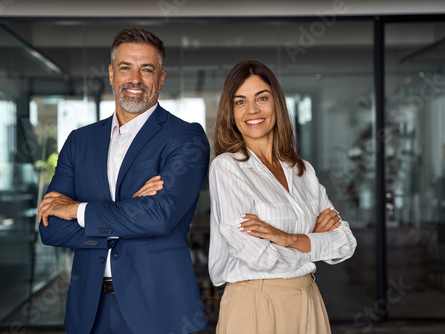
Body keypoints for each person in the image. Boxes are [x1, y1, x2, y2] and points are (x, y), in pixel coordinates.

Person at [37, 27, 209, 334]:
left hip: (159, 309)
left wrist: (78, 211)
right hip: (90, 309)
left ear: (162, 77)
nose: (135, 79)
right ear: (111, 74)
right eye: (125, 67)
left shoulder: (185, 137)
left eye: (147, 69)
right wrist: (130, 214)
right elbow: (50, 227)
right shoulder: (80, 141)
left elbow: (159, 216)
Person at [208, 60, 357, 334]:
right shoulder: (228, 168)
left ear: (277, 103)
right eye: (240, 101)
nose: (252, 110)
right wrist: (313, 241)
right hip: (255, 303)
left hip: (309, 299)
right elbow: (258, 257)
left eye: (261, 98)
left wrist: (288, 238)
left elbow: (345, 243)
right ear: (230, 112)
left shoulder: (302, 171)